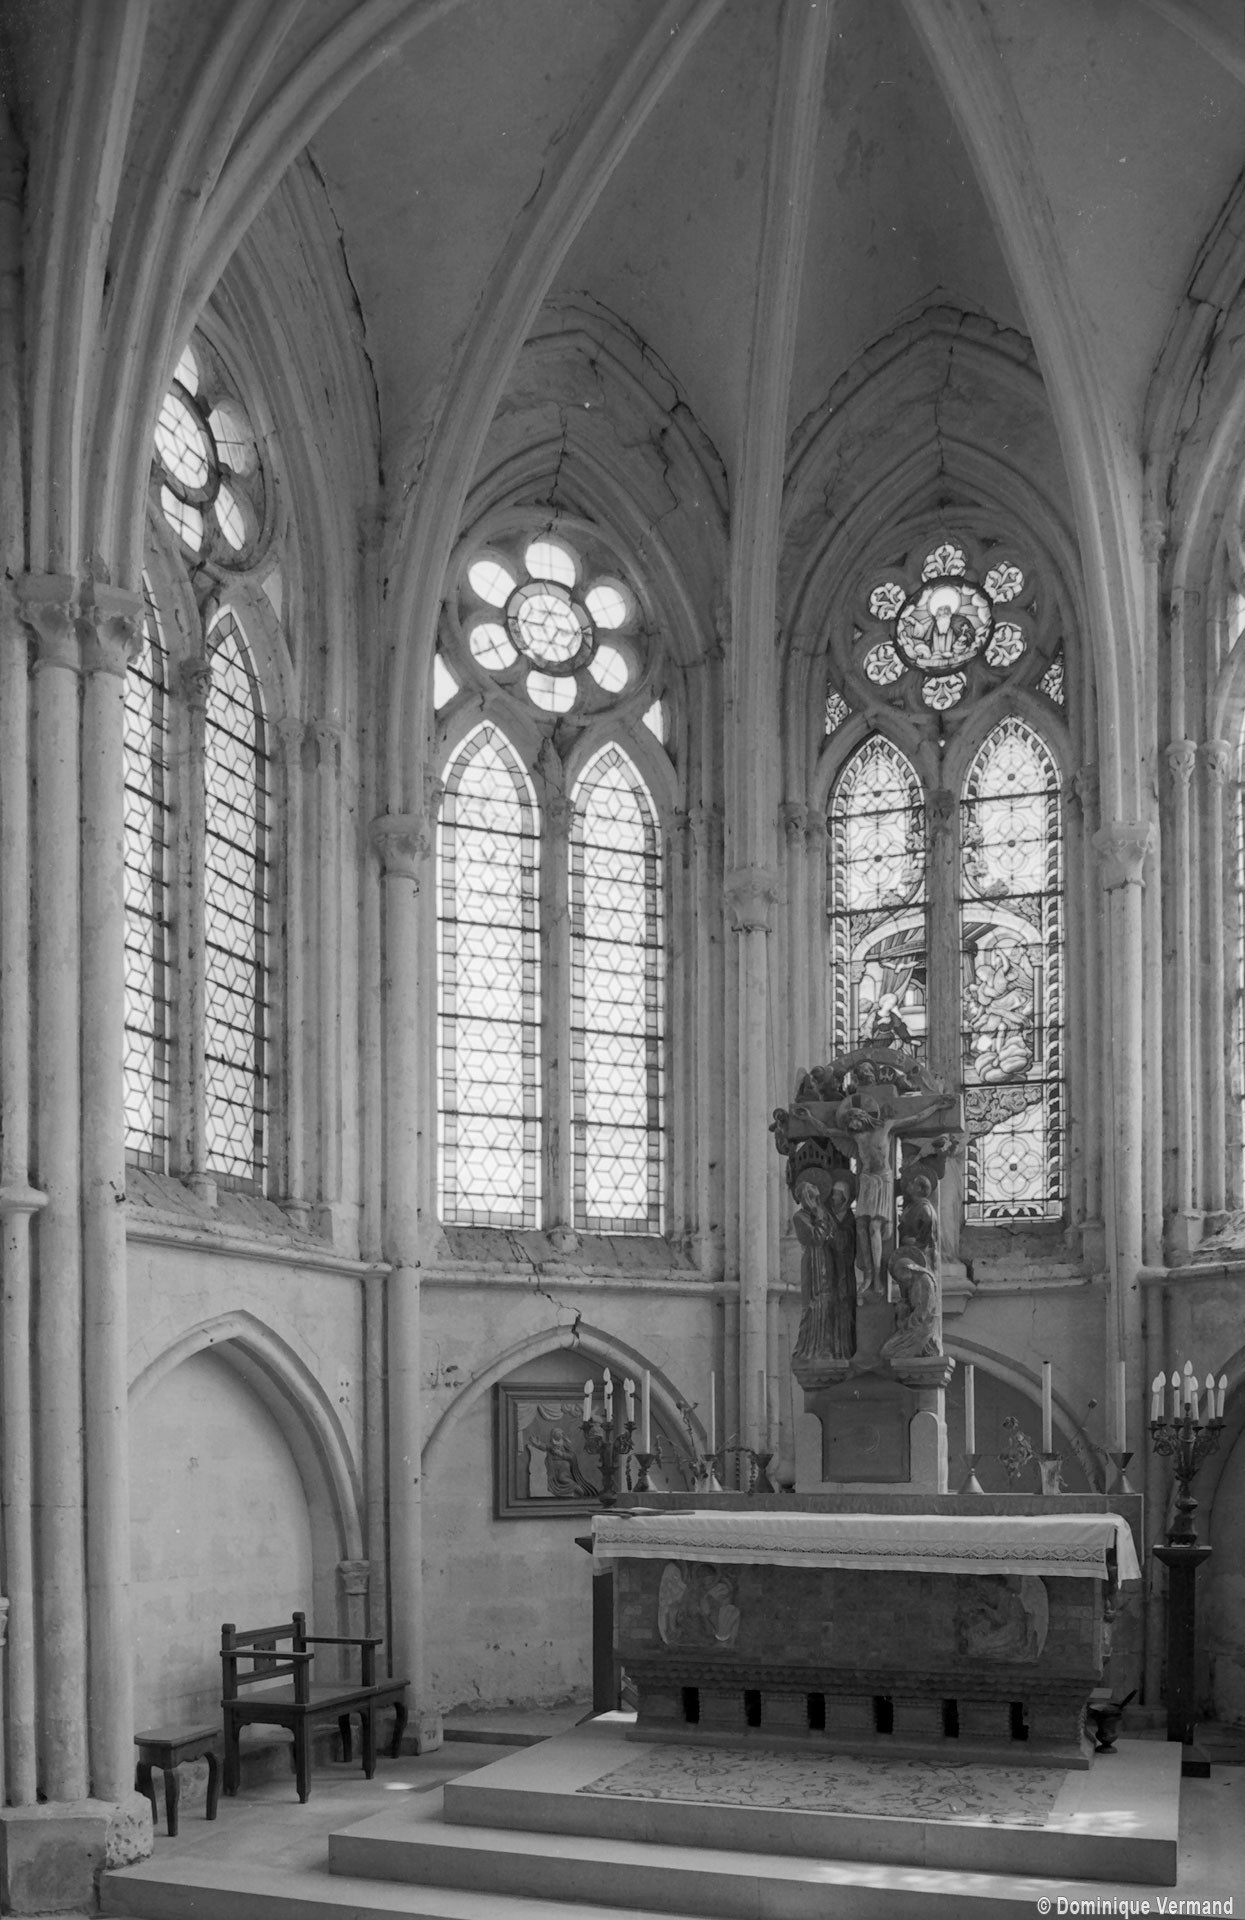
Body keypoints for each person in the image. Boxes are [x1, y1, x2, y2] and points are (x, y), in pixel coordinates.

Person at [792, 1175, 858, 1365]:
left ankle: (827, 1347)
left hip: (827, 1261)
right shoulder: (800, 1217)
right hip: (813, 1264)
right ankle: (812, 1348)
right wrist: (821, 1220)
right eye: (811, 1198)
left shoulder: (821, 1213)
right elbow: (816, 1237)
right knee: (814, 1304)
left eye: (816, 1198)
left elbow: (834, 1235)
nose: (815, 1202)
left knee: (828, 1301)